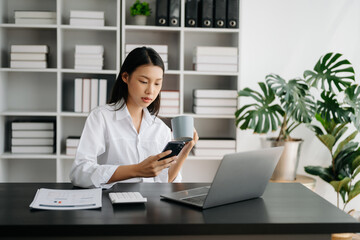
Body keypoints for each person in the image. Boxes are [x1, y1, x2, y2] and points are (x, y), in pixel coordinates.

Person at [70, 47, 198, 188]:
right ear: (125, 77)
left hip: (150, 205)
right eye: (143, 81)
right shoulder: (101, 117)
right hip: (111, 203)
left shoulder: (161, 129)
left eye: (157, 83)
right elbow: (79, 173)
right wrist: (137, 170)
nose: (151, 91)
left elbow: (164, 182)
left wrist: (185, 151)